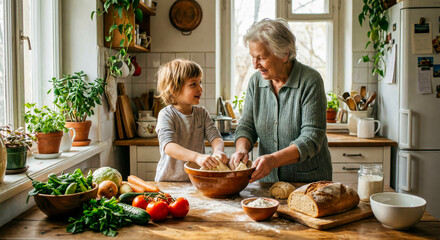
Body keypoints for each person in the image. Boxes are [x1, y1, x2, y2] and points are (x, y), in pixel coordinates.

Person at [230, 18, 332, 183]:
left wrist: (273, 160)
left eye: (262, 58)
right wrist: (241, 150)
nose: (255, 65)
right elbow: (247, 126)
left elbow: (311, 138)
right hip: (268, 182)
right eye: (252, 57)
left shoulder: (310, 80)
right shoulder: (255, 82)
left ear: (284, 54)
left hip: (308, 182)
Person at [155, 59, 228, 181]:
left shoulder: (202, 113)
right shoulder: (166, 114)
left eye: (200, 82)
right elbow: (169, 147)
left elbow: (215, 137)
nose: (200, 88)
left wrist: (218, 151)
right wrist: (197, 157)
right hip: (169, 181)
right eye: (193, 84)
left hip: (195, 180)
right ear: (174, 89)